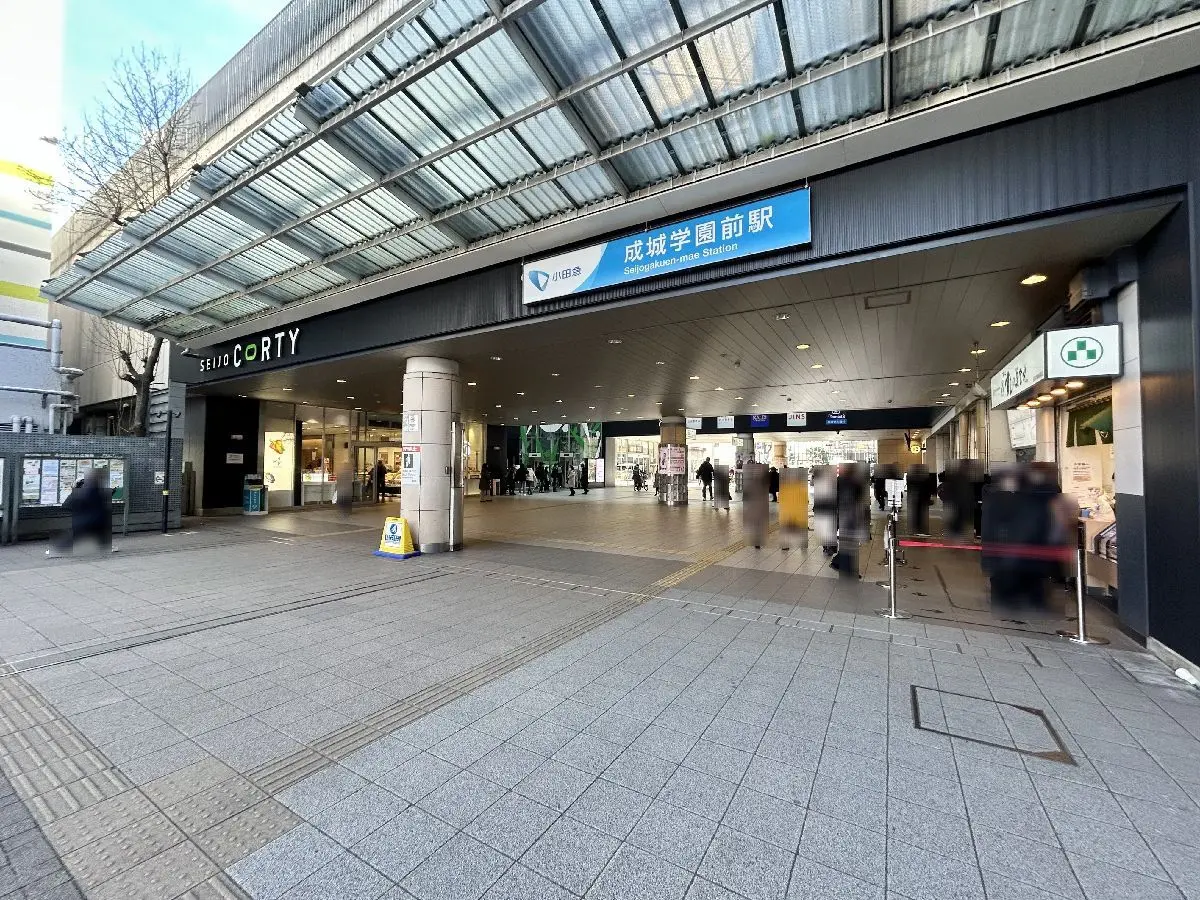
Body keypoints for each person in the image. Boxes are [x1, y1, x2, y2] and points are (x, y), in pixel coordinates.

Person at [54, 470, 114, 554]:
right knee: (80, 532)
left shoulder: (92, 488)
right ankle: (60, 547)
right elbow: (92, 501)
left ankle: (105, 546)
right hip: (91, 517)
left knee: (98, 531)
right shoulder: (90, 488)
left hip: (94, 516)